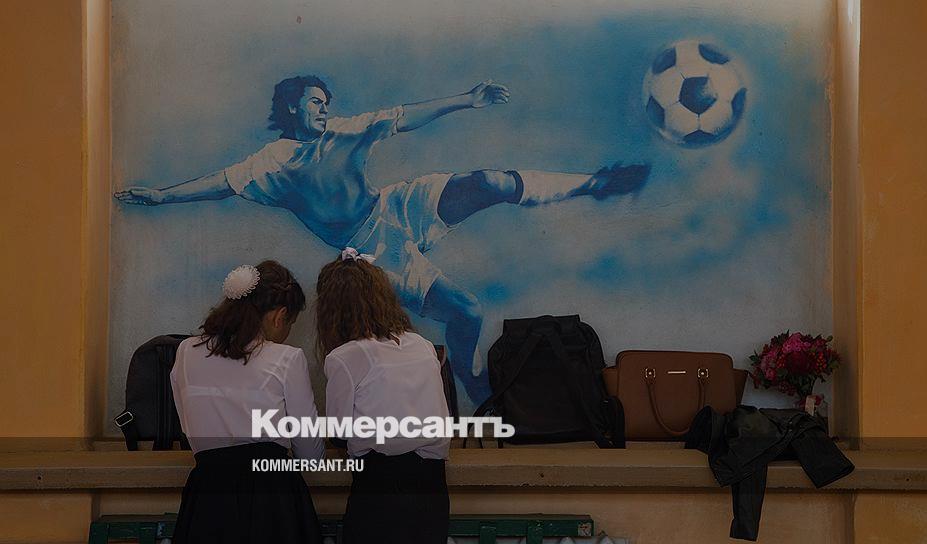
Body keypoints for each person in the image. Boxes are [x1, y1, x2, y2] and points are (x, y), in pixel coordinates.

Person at [115, 75, 650, 406]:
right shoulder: (271, 164)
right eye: (315, 102)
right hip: (371, 247)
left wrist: (467, 99)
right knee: (467, 311)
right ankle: (471, 378)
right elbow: (220, 184)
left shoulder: (344, 131)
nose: (324, 109)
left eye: (326, 102)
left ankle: (592, 183)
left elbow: (402, 118)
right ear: (292, 108)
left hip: (396, 205)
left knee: (489, 181)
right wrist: (161, 196)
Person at [170, 260, 324, 543]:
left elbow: (187, 426)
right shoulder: (287, 358)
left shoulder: (185, 352)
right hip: (272, 500)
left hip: (208, 496)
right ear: (280, 316)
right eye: (290, 323)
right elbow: (311, 456)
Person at [317, 248, 451, 544]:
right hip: (432, 487)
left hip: (378, 486)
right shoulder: (423, 345)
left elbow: (339, 433)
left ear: (332, 309)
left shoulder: (344, 357)